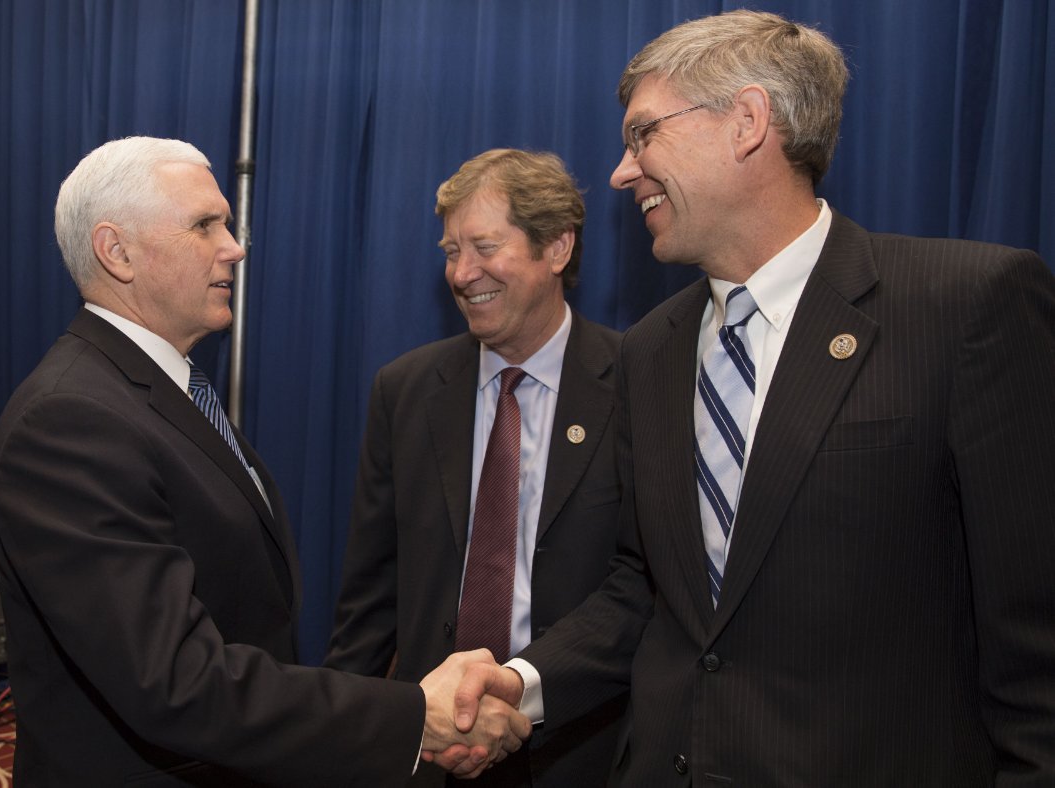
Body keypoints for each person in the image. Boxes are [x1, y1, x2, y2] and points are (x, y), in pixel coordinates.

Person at [446, 10, 1055, 785]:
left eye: (642, 135)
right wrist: (523, 682)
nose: (621, 173)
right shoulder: (651, 350)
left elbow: (1037, 639)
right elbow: (647, 588)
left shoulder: (965, 306)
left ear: (746, 121)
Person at [0, 136, 529, 786]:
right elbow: (175, 683)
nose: (235, 246)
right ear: (117, 252)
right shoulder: (70, 420)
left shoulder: (157, 390)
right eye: (204, 225)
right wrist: (416, 715)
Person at [325, 148, 625, 787]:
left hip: (583, 749)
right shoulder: (404, 392)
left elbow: (645, 588)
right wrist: (343, 748)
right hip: (429, 752)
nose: (461, 274)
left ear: (557, 248)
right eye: (450, 251)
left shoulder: (635, 385)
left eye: (484, 247)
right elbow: (370, 601)